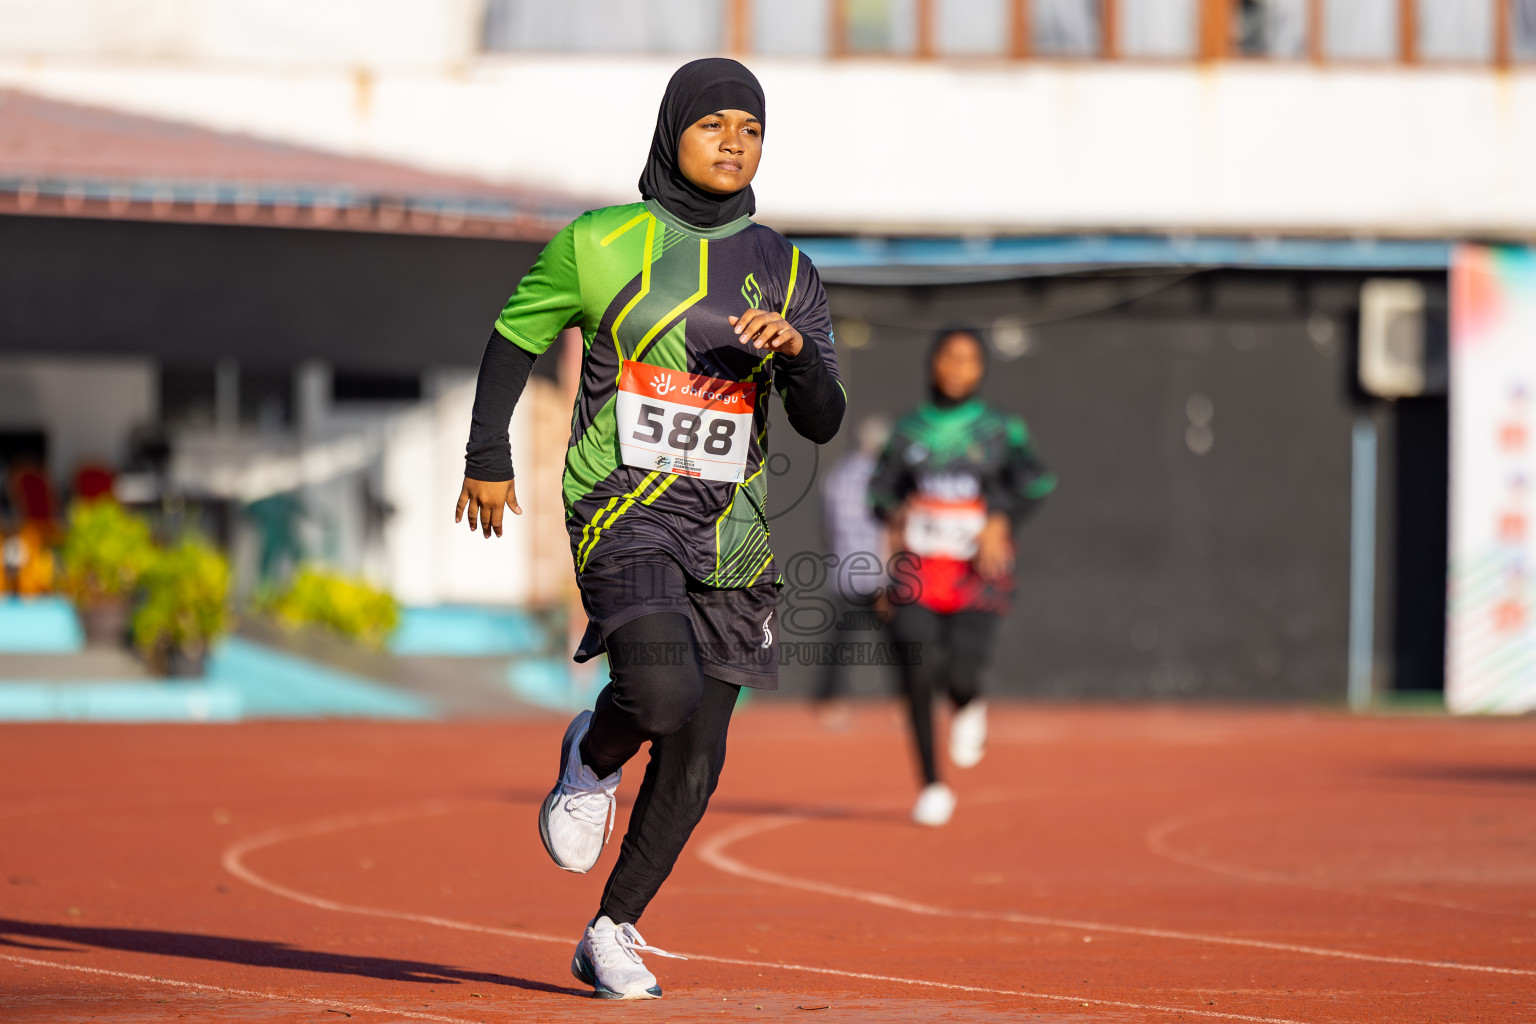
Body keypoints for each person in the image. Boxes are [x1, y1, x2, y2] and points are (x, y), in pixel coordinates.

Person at [455, 58, 844, 999]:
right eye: (714, 124)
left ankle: (613, 930)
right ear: (673, 130)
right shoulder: (599, 243)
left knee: (699, 753)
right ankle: (590, 758)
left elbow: (824, 418)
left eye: (750, 129)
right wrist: (487, 455)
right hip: (622, 512)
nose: (733, 143)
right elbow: (516, 337)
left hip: (734, 536)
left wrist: (796, 357)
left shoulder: (787, 270)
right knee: (658, 692)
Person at [868, 329, 1054, 827]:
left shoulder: (1001, 430)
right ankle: (932, 784)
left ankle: (968, 704)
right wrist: (894, 515)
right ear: (933, 364)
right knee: (918, 673)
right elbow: (880, 490)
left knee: (962, 676)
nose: (957, 368)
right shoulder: (907, 430)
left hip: (978, 570)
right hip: (919, 569)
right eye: (948, 358)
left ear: (981, 370)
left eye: (968, 360)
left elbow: (1036, 482)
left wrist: (1001, 518)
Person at [814, 415, 891, 723]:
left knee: (840, 643)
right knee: (899, 643)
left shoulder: (839, 475)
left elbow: (827, 525)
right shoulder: (885, 477)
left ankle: (830, 703)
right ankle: (907, 702)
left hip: (844, 566)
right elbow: (888, 527)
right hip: (877, 569)